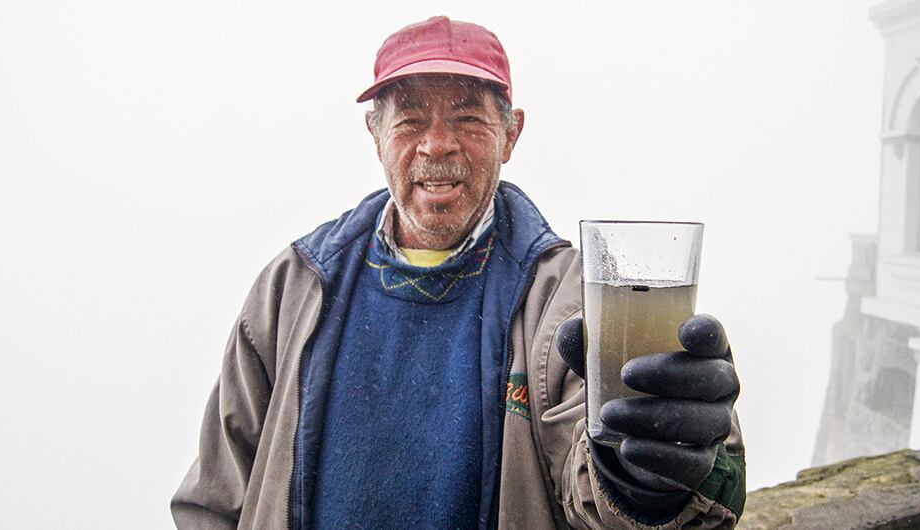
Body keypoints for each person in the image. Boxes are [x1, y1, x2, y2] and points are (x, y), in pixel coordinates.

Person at [172, 15, 745, 529]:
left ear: (511, 134)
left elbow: (596, 490)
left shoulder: (571, 298)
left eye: (468, 118)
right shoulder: (293, 287)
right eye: (410, 119)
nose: (437, 144)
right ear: (374, 135)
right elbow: (213, 501)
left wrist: (651, 479)